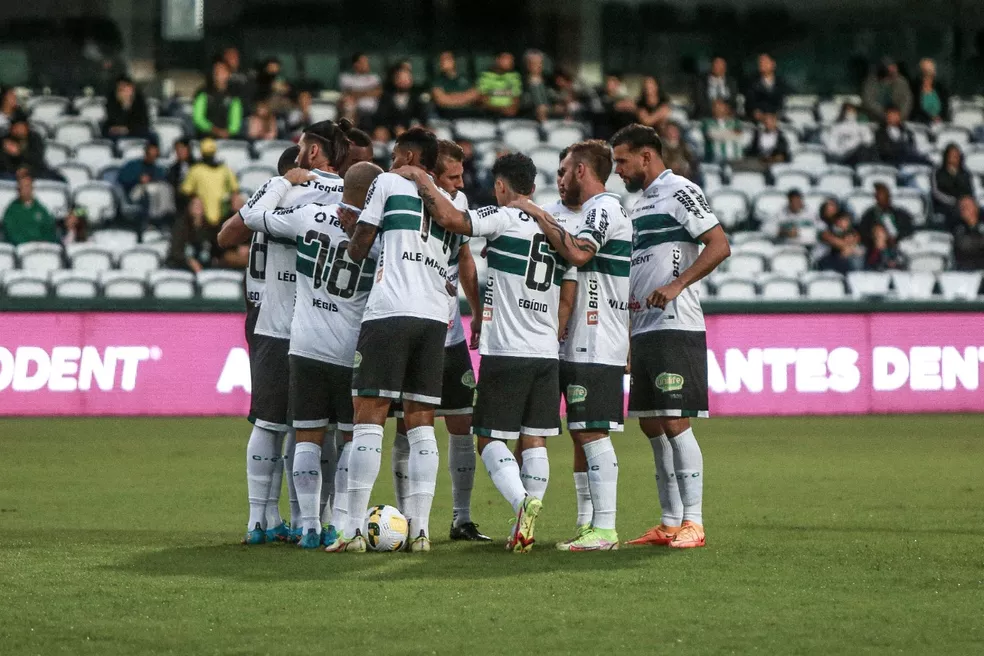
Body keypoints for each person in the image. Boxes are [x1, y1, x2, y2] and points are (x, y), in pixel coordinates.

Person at [396, 152, 572, 554]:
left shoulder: (504, 215)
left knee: (489, 439)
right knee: (535, 441)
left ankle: (521, 503)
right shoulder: (554, 227)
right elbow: (569, 290)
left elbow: (455, 221)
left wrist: (420, 180)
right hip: (547, 352)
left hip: (507, 350)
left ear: (500, 186)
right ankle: (525, 525)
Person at [217, 122, 354, 546]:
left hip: (274, 323)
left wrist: (278, 182)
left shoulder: (282, 193)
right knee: (319, 429)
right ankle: (314, 518)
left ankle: (260, 518)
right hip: (327, 326)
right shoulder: (351, 198)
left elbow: (228, 235)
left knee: (270, 421)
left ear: (313, 153)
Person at [322, 128, 456, 554]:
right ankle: (420, 532)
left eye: (396, 154)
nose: (391, 161)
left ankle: (353, 531)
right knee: (421, 429)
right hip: (435, 319)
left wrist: (354, 232)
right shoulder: (455, 201)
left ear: (411, 155)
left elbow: (359, 249)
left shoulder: (387, 182)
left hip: (391, 312)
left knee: (368, 423)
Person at [239, 159, 383, 549]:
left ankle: (307, 527)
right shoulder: (379, 237)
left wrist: (281, 181)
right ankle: (337, 522)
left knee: (306, 439)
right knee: (351, 440)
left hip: (303, 347)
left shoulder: (307, 215)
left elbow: (252, 216)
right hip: (350, 351)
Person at [610, 123, 731, 550]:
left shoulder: (680, 190)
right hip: (643, 327)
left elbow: (719, 244)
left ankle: (693, 523)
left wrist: (678, 284)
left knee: (675, 421)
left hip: (675, 321)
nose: (617, 170)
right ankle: (668, 521)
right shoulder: (639, 205)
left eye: (622, 161)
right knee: (650, 424)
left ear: (646, 156)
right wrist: (625, 334)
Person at [514, 140, 631, 552]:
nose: (558, 180)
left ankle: (606, 528)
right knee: (580, 433)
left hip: (595, 339)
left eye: (563, 172)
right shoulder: (569, 213)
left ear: (581, 170)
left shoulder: (605, 208)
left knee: (592, 432)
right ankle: (587, 525)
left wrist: (536, 213)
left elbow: (579, 255)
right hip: (565, 342)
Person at [387, 140, 489, 542]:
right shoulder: (401, 197)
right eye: (452, 176)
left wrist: (476, 309)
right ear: (431, 173)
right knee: (407, 426)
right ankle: (403, 517)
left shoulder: (457, 202)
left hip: (448, 333)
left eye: (461, 176)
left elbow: (464, 258)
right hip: (413, 328)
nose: (459, 184)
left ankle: (461, 518)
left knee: (462, 422)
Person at [179, 138, 239, 227]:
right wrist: (196, 198)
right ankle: (198, 236)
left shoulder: (224, 169)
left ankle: (238, 234)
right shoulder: (196, 169)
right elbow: (186, 191)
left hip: (223, 207)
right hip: (203, 209)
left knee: (238, 201)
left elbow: (235, 189)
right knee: (196, 205)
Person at [192, 59, 244, 139]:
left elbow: (235, 122)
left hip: (227, 139)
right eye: (216, 71)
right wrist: (214, 130)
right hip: (204, 137)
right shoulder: (203, 93)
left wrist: (228, 132)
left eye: (223, 71)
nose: (219, 74)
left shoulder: (234, 96)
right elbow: (198, 118)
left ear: (229, 74)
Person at [2, 173, 57, 245]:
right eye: (22, 187)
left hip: (41, 248)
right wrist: (28, 243)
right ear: (18, 189)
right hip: (21, 249)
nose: (25, 190)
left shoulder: (40, 209)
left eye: (28, 186)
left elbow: (49, 229)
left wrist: (42, 243)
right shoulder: (11, 210)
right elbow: (10, 233)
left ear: (32, 188)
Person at [166, 196, 217, 272]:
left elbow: (214, 249)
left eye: (200, 205)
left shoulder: (209, 228)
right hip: (182, 266)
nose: (198, 207)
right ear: (189, 207)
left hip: (205, 266)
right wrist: (190, 261)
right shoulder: (180, 226)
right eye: (195, 205)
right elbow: (175, 251)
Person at [859, 182, 915, 250]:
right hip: (877, 247)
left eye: (884, 194)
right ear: (876, 197)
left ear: (889, 196)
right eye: (879, 195)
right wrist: (876, 237)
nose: (882, 198)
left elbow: (909, 230)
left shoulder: (901, 213)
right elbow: (863, 233)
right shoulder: (869, 215)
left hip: (899, 245)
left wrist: (897, 238)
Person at [375, 66, 426, 137]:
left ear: (411, 81)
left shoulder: (417, 99)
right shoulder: (386, 98)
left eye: (407, 78)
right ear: (395, 80)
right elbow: (381, 118)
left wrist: (414, 127)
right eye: (401, 78)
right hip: (390, 134)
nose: (404, 81)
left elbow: (422, 117)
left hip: (412, 133)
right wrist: (394, 128)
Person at [931, 144, 974, 222]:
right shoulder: (938, 172)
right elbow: (936, 193)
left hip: (964, 203)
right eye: (952, 155)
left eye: (957, 155)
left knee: (971, 208)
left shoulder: (965, 173)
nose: (955, 158)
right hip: (944, 204)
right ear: (947, 156)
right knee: (961, 211)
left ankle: (972, 230)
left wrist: (965, 201)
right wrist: (954, 201)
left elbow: (969, 191)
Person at [431, 51, 479, 119]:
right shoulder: (437, 81)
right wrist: (464, 97)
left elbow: (475, 95)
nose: (443, 62)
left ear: (454, 61)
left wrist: (451, 97)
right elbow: (442, 100)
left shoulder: (466, 78)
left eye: (447, 59)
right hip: (446, 117)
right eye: (441, 60)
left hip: (469, 116)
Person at [102, 76, 150, 140]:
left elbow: (143, 122)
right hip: (117, 132)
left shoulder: (139, 100)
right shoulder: (112, 100)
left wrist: (127, 129)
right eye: (121, 89)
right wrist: (124, 105)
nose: (124, 92)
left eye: (126, 88)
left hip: (135, 131)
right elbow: (113, 119)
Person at [339, 53, 382, 124]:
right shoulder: (346, 78)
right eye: (363, 62)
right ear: (356, 64)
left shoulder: (374, 77)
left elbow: (378, 92)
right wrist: (370, 91)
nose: (367, 64)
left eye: (367, 62)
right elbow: (349, 94)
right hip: (355, 112)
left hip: (373, 112)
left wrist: (358, 93)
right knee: (348, 103)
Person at [592, 73, 637, 141]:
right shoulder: (600, 96)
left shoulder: (623, 98)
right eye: (608, 81)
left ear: (618, 84)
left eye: (613, 82)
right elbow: (600, 108)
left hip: (620, 131)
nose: (610, 84)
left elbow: (632, 107)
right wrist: (616, 106)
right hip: (605, 131)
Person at [744, 53, 788, 121]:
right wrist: (759, 115)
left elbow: (784, 102)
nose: (762, 64)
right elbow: (749, 104)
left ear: (773, 64)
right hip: (758, 121)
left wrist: (775, 116)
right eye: (760, 62)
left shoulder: (781, 83)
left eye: (765, 62)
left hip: (778, 120)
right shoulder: (751, 83)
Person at [478, 51, 522, 118]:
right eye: (506, 59)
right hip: (488, 117)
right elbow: (483, 101)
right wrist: (501, 110)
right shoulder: (485, 76)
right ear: (497, 60)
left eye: (511, 60)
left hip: (511, 117)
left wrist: (511, 110)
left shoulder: (515, 77)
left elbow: (516, 100)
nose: (510, 62)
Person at [701, 98, 744, 164]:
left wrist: (720, 134)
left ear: (727, 108)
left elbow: (741, 136)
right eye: (715, 106)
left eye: (720, 106)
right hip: (714, 161)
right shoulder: (707, 122)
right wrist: (732, 134)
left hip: (735, 160)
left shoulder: (736, 122)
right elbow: (711, 135)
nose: (717, 109)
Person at [910, 58, 950, 124]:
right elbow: (915, 109)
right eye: (925, 73)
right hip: (921, 123)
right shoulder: (915, 89)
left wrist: (939, 117)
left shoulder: (941, 88)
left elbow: (945, 107)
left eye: (930, 72)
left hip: (941, 123)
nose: (927, 77)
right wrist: (931, 118)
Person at [521, 49, 555, 122]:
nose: (539, 66)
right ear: (527, 65)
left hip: (552, 122)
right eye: (534, 63)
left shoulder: (550, 83)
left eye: (540, 63)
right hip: (528, 123)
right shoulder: (521, 84)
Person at [952, 196, 984, 270]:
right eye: (962, 207)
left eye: (968, 206)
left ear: (976, 208)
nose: (964, 209)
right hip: (966, 269)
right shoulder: (958, 229)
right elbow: (962, 246)